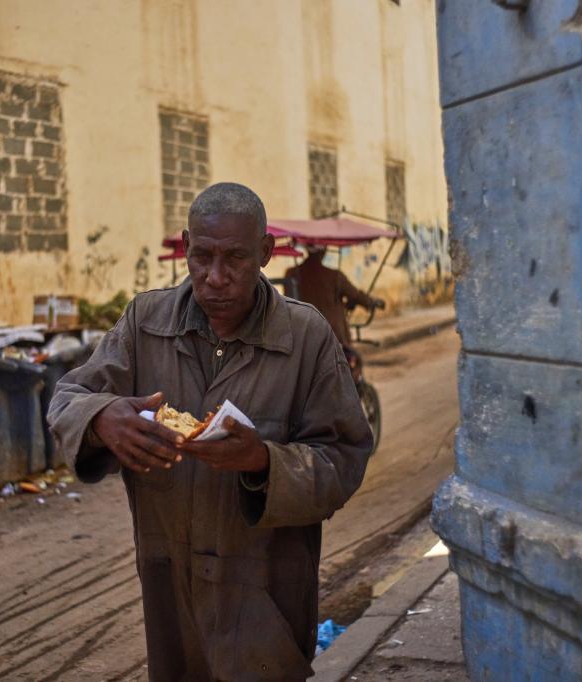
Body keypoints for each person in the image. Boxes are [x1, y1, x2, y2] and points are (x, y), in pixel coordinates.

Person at [48, 183, 373, 681]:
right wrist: (101, 417)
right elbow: (68, 399)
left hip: (263, 594)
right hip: (170, 587)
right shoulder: (145, 322)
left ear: (265, 253)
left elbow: (344, 458)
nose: (214, 278)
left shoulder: (305, 338)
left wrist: (264, 462)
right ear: (186, 247)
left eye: (235, 259)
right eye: (201, 256)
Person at [285, 245, 386, 356]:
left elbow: (288, 302)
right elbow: (355, 295)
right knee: (347, 364)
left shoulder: (292, 274)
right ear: (324, 251)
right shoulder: (334, 276)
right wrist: (370, 302)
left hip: (303, 334)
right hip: (334, 334)